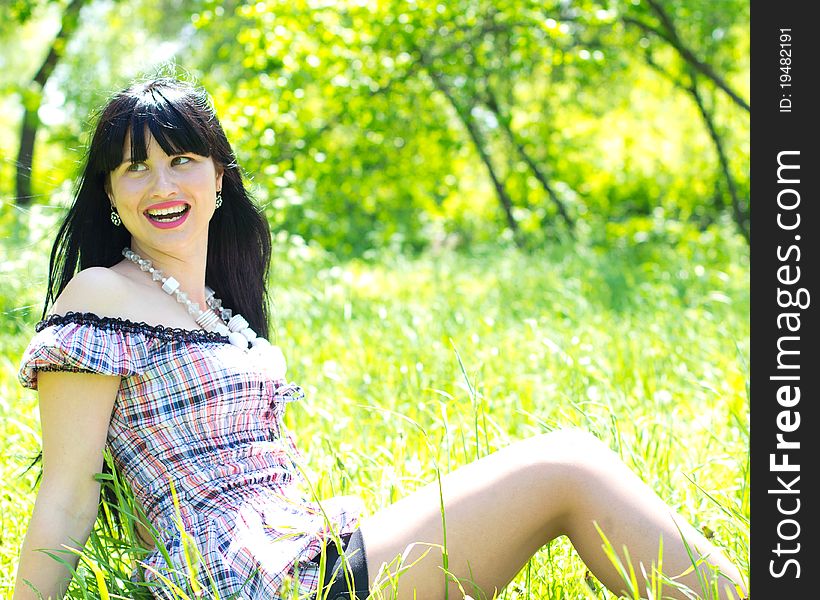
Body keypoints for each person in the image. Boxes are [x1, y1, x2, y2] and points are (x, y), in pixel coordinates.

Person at [12, 77, 748, 600]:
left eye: (181, 161)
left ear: (219, 179)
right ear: (108, 196)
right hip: (248, 580)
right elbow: (69, 493)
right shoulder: (102, 295)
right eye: (133, 168)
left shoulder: (218, 303)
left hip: (305, 553)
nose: (160, 185)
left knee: (570, 475)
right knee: (568, 465)